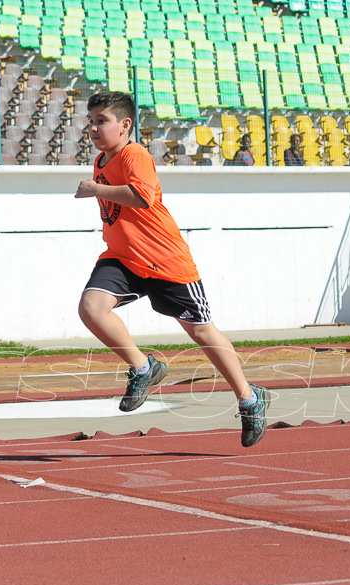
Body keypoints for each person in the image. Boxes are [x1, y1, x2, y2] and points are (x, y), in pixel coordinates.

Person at [74, 91, 270, 447]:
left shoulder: (135, 155)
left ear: (125, 125)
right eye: (91, 121)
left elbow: (143, 196)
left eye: (102, 120)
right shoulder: (101, 161)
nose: (93, 128)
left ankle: (249, 398)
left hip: (164, 261)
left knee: (202, 333)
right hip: (123, 257)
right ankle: (144, 367)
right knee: (91, 308)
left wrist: (94, 189)